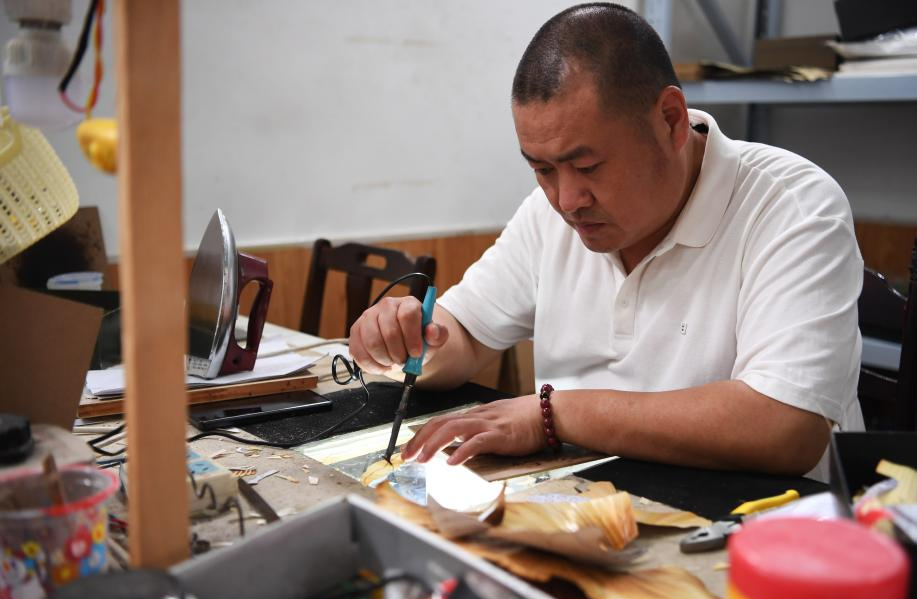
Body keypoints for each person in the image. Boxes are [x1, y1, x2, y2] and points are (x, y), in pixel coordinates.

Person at [349, 3, 863, 479]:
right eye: (543, 169)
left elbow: (786, 428)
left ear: (670, 120)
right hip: (589, 503)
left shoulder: (791, 206)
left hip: (761, 524)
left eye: (589, 166)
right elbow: (465, 333)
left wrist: (551, 415)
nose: (567, 200)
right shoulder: (549, 216)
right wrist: (411, 341)